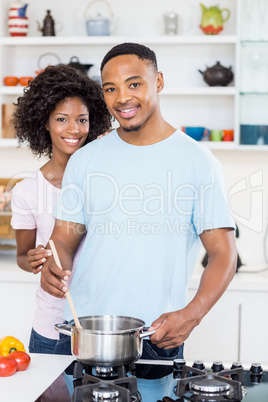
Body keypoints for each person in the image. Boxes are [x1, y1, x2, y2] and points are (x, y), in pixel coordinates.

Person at [41, 43, 237, 360]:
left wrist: (193, 313)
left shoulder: (198, 162)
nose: (122, 98)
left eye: (134, 84)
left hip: (156, 335)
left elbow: (223, 253)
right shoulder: (85, 160)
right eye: (110, 88)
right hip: (84, 331)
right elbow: (63, 240)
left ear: (158, 81)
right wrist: (54, 264)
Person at [11, 64, 111, 354]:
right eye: (62, 119)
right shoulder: (28, 191)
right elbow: (21, 255)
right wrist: (31, 260)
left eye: (82, 119)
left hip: (102, 326)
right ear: (45, 122)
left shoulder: (106, 180)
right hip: (51, 328)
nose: (74, 129)